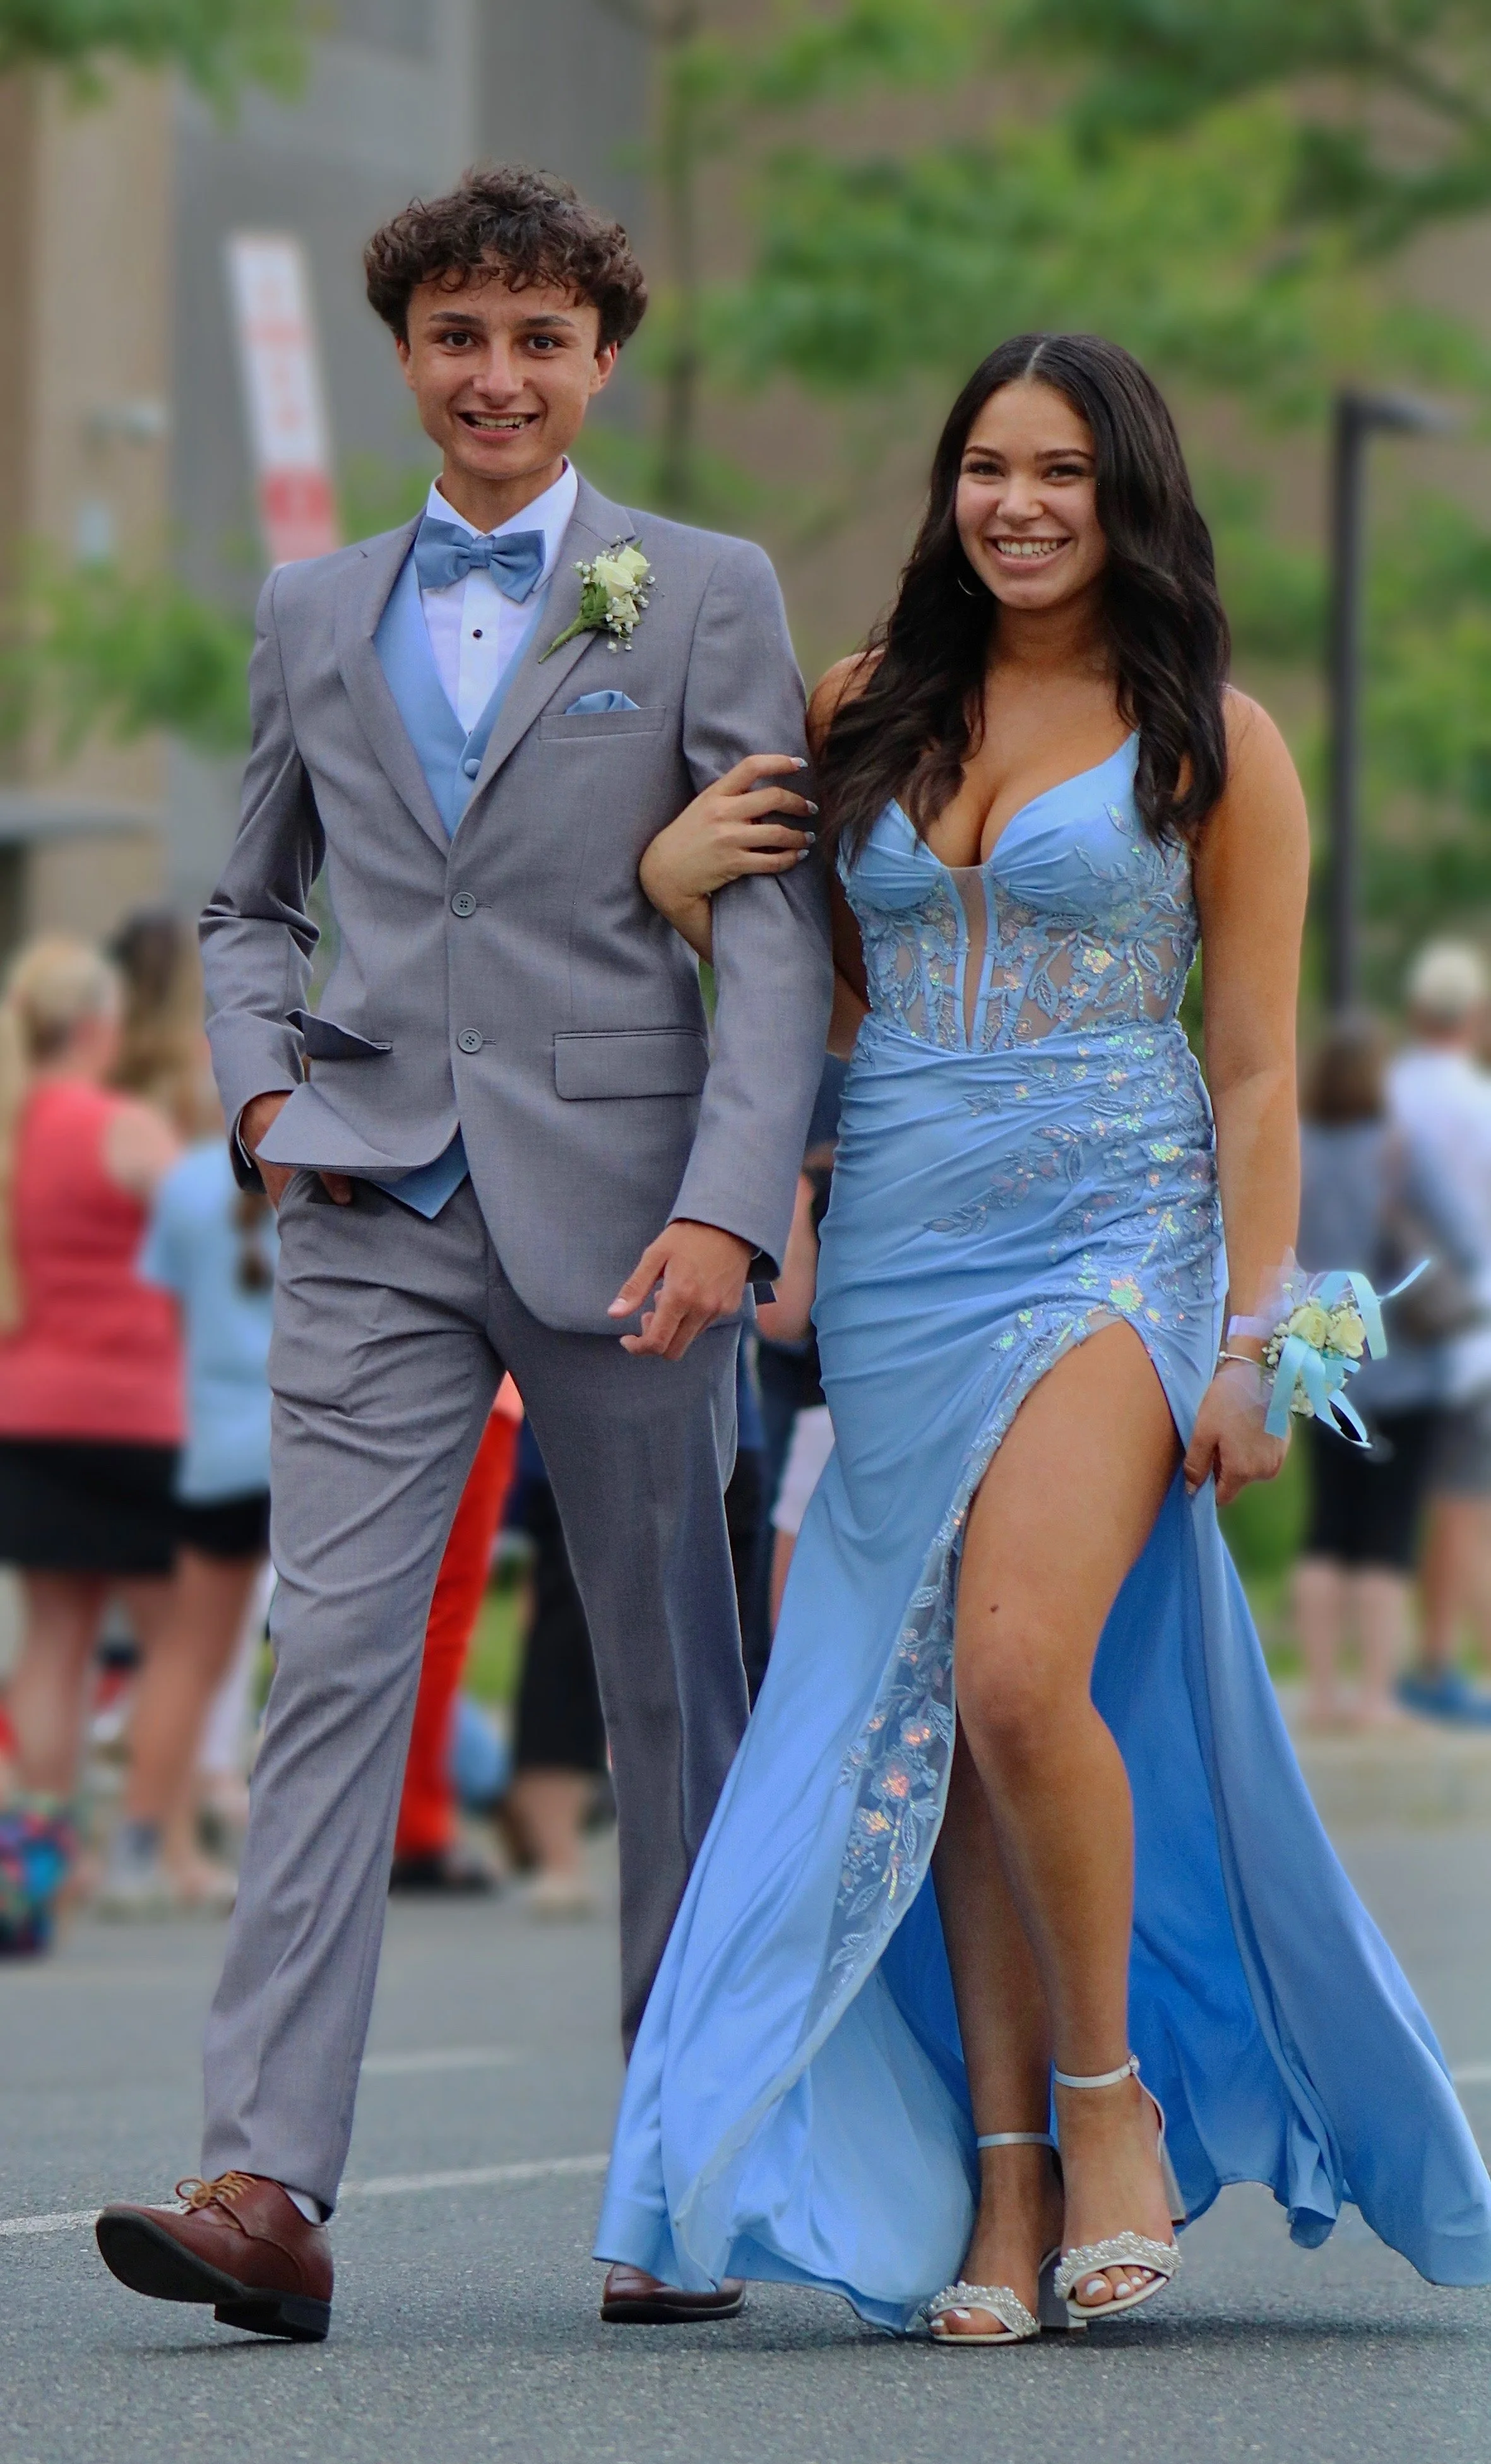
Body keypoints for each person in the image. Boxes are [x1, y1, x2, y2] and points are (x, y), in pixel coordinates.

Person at [598, 333, 1491, 2340]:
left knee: (1014, 1670)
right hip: (905, 1242)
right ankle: (999, 2193)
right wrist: (671, 892)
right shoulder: (861, 706)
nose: (1015, 503)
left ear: (1127, 492)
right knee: (928, 1718)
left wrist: (1255, 1333)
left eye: (1060, 470)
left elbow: (1253, 1067)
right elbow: (803, 1004)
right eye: (985, 467)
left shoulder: (1208, 737)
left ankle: (1112, 2113)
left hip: (1116, 1234)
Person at [94, 164, 830, 2341]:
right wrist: (252, 1100)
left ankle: (678, 2172)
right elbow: (246, 899)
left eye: (536, 340)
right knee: (332, 1665)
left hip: (632, 1221)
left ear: (601, 361)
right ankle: (264, 2182)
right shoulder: (312, 609)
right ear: (402, 355)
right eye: (455, 337)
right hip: (368, 1202)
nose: (493, 375)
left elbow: (772, 929)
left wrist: (726, 1198)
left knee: (668, 1680)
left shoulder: (695, 590)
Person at [0, 938, 183, 1931]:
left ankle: (41, 1857)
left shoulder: (13, 1125)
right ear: (99, 1026)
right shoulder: (124, 1126)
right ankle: (146, 1843)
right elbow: (217, 1238)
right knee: (178, 1643)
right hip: (136, 1409)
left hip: (26, 1405)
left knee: (54, 1641)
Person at [96, 1112, 278, 1913]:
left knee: (185, 1657)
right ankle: (302, 1851)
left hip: (215, 1449)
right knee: (320, 1657)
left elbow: (170, 1320)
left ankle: (138, 1847)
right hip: (314, 1440)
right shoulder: (334, 1167)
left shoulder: (187, 1185)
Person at [1293, 1015, 1485, 1730]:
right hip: (1402, 1366)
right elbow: (1464, 1245)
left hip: (1321, 1360)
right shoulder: (1398, 1152)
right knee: (1387, 1530)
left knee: (1328, 1527)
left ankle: (1319, 1695)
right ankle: (1373, 1698)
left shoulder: (1298, 1151)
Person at [1388, 941, 1491, 1725]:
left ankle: (1400, 1664)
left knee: (1388, 1500)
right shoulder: (1479, 1106)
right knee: (1462, 1499)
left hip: (1388, 1319)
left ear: (1416, 1012)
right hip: (1470, 1328)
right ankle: (1437, 1659)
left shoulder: (1388, 1093)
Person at [389, 1378, 523, 1894]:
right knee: (437, 1620)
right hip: (466, 1383)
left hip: (361, 1381)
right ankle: (416, 1829)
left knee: (363, 1611)